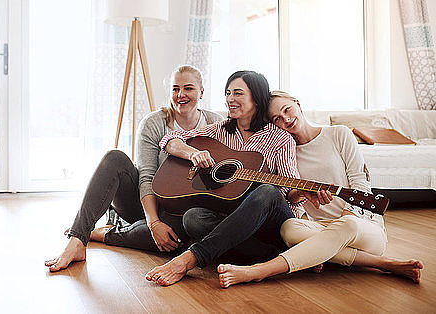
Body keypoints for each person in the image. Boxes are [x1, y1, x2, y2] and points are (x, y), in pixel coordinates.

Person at [216, 91, 423, 287]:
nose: (286, 119)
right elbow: (292, 197)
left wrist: (346, 215)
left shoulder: (339, 134)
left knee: (348, 225)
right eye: (277, 118)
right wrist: (301, 193)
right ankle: (382, 263)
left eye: (287, 110)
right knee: (289, 228)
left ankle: (259, 271)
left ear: (298, 104)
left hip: (363, 228)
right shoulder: (286, 151)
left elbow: (360, 182)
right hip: (321, 229)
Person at [45, 65, 224, 272]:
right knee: (114, 158)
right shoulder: (154, 123)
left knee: (177, 240)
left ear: (201, 92)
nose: (180, 95)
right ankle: (77, 239)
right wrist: (154, 223)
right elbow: (146, 176)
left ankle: (106, 234)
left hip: (179, 211)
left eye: (188, 88)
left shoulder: (215, 123)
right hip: (143, 202)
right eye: (175, 89)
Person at [145, 71, 305, 286]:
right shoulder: (220, 130)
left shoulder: (280, 138)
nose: (230, 99)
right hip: (233, 217)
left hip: (269, 219)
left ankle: (188, 259)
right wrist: (191, 153)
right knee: (193, 218)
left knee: (268, 190)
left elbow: (288, 192)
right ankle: (275, 256)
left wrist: (302, 192)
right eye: (228, 93)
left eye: (237, 93)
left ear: (256, 97)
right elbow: (170, 139)